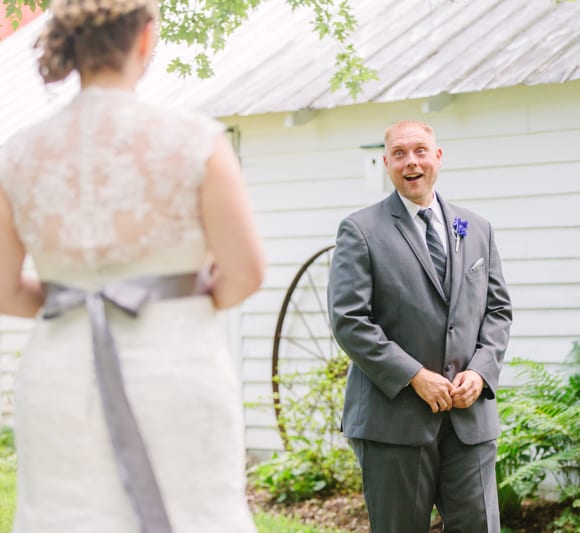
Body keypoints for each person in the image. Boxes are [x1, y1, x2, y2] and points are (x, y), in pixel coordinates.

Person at [0, 0, 265, 530]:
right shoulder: (197, 141)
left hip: (59, 371)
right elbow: (245, 273)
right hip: (176, 363)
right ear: (146, 38)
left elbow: (5, 291)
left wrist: (68, 297)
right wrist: (179, 299)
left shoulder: (18, 153)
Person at [328, 120, 513, 533]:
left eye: (420, 151)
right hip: (394, 421)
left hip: (469, 420)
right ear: (386, 163)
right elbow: (349, 319)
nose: (411, 162)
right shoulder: (360, 231)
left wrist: (481, 372)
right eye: (399, 153)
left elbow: (498, 311)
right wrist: (414, 376)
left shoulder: (477, 228)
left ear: (438, 157)